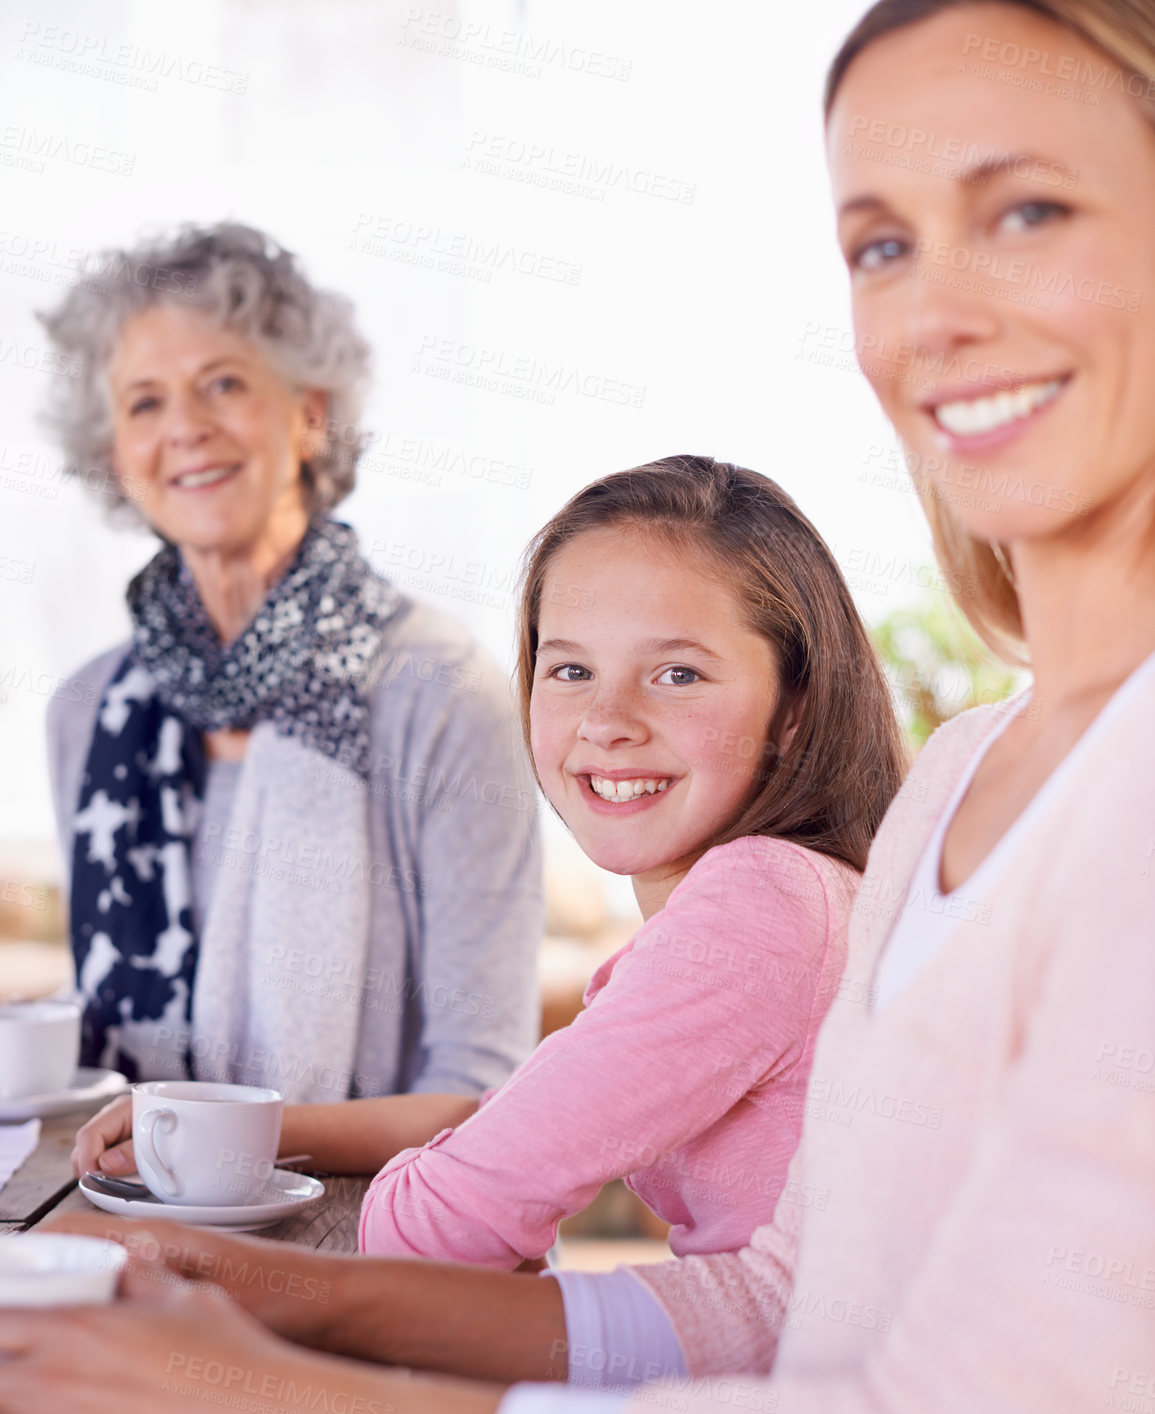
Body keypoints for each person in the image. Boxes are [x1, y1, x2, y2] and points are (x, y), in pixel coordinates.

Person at [7, 1, 1155, 1414]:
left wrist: (263, 1409)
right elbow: (776, 1297)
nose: (937, 305)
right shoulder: (967, 778)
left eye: (1029, 211)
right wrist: (271, 1302)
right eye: (879, 240)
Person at [72, 455, 905, 1269]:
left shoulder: (756, 905)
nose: (606, 719)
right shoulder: (788, 894)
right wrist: (249, 1128)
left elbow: (435, 1224)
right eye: (571, 668)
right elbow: (501, 1121)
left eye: (677, 673)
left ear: (795, 708)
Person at [40, 221, 541, 1124]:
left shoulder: (443, 693)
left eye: (223, 383)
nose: (185, 427)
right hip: (133, 1221)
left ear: (309, 414)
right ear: (115, 451)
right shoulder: (84, 712)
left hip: (377, 1238)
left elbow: (485, 1092)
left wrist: (234, 1148)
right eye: (144, 402)